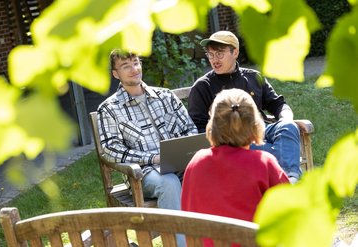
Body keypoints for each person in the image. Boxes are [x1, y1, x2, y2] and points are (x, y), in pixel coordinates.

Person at [188, 30, 302, 183]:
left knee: (288, 126)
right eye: (210, 54)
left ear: (235, 52)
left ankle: (290, 180)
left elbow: (278, 104)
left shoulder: (254, 77)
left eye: (219, 54)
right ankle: (287, 182)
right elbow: (199, 128)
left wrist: (286, 119)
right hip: (234, 142)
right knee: (279, 149)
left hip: (263, 130)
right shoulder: (202, 87)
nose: (214, 59)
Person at [97, 49, 198, 212]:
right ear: (116, 74)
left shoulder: (166, 96)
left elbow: (189, 128)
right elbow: (111, 150)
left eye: (136, 63)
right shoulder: (109, 109)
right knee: (169, 183)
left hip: (179, 164)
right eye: (125, 66)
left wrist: (183, 152)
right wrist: (153, 158)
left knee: (209, 172)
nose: (134, 69)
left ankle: (215, 236)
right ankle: (179, 238)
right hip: (143, 173)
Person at [182, 88, 289, 224]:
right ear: (255, 125)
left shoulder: (196, 162)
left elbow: (188, 211)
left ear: (213, 125)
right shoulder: (263, 163)